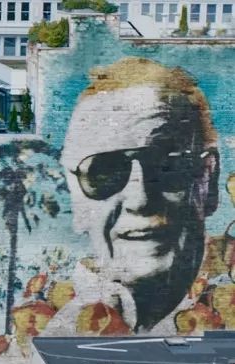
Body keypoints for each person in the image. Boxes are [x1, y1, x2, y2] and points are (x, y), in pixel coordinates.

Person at [52, 56, 221, 335]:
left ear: (208, 180)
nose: (140, 199)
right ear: (75, 197)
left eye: (166, 165)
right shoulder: (56, 334)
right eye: (105, 172)